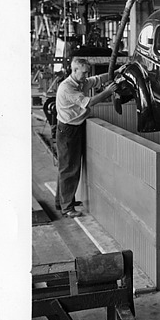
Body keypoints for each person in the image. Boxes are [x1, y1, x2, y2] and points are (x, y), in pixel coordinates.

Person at [54, 58, 119, 218]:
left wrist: (118, 71)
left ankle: (61, 201)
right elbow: (88, 102)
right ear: (74, 71)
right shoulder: (67, 88)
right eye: (83, 73)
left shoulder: (81, 82)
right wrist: (108, 92)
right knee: (69, 168)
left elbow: (97, 80)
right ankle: (67, 208)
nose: (86, 76)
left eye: (87, 73)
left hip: (75, 127)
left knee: (66, 167)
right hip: (68, 130)